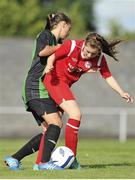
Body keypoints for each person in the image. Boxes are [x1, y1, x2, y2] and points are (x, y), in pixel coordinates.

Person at [42, 32, 133, 167]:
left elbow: (107, 76)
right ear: (84, 44)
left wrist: (121, 92)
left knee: (51, 126)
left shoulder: (99, 59)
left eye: (93, 54)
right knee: (76, 114)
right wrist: (49, 65)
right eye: (87, 51)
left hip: (65, 86)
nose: (89, 55)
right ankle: (71, 158)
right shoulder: (72, 46)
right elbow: (52, 57)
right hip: (54, 81)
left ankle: (38, 163)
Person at [4, 12, 71, 170]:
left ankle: (14, 159)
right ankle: (44, 163)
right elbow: (42, 51)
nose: (69, 32)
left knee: (48, 130)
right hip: (36, 87)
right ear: (62, 25)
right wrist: (62, 47)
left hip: (36, 89)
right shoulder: (45, 35)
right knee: (56, 123)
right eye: (69, 28)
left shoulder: (54, 40)